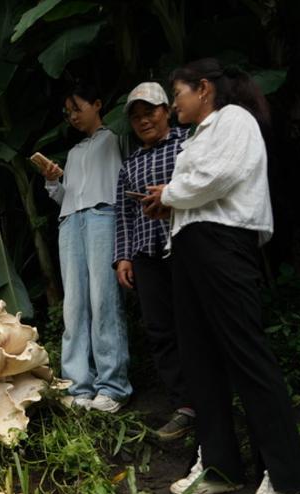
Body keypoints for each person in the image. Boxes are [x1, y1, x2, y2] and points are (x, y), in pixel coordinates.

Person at [142, 58, 300, 494]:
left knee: (245, 354)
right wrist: (170, 206)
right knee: (200, 360)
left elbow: (222, 177)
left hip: (224, 243)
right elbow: (199, 188)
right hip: (191, 246)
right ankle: (219, 466)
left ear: (204, 89)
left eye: (177, 94)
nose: (174, 104)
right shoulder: (199, 134)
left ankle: (285, 474)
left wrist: (169, 195)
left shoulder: (235, 119)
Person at [38, 82, 132, 413]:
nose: (73, 116)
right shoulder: (75, 152)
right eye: (68, 113)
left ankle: (113, 386)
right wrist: (53, 180)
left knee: (104, 299)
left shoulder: (118, 138)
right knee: (75, 305)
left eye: (78, 108)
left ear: (97, 104)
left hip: (104, 217)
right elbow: (67, 197)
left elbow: (125, 183)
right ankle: (77, 386)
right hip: (70, 224)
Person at [113, 82, 194, 439]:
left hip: (188, 247)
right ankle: (184, 405)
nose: (144, 121)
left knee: (194, 322)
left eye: (150, 112)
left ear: (166, 111)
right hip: (146, 253)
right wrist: (122, 258)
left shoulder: (188, 145)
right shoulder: (130, 164)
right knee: (160, 330)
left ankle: (212, 395)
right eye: (136, 117)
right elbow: (124, 215)